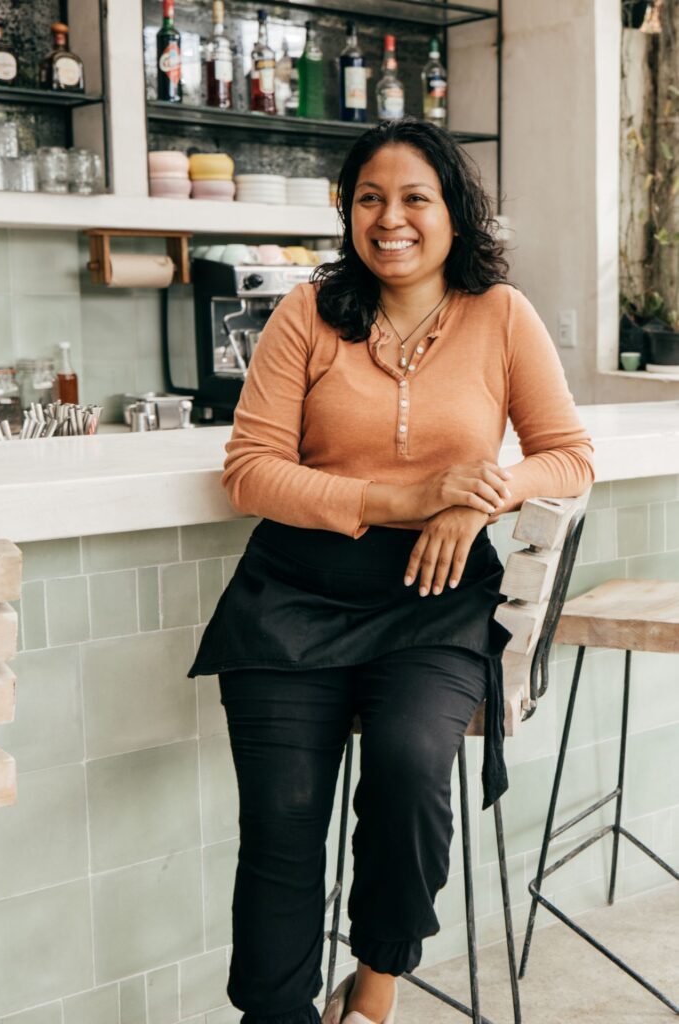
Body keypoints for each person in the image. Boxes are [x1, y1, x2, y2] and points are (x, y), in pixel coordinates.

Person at [187, 116, 595, 1024]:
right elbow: (250, 471)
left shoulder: (501, 315)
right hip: (290, 594)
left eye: (416, 198)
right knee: (284, 821)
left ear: (455, 211)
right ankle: (275, 1014)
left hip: (435, 601)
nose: (392, 218)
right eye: (370, 198)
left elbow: (567, 456)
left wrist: (476, 495)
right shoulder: (306, 313)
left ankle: (373, 995)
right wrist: (404, 500)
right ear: (348, 211)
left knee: (412, 768)